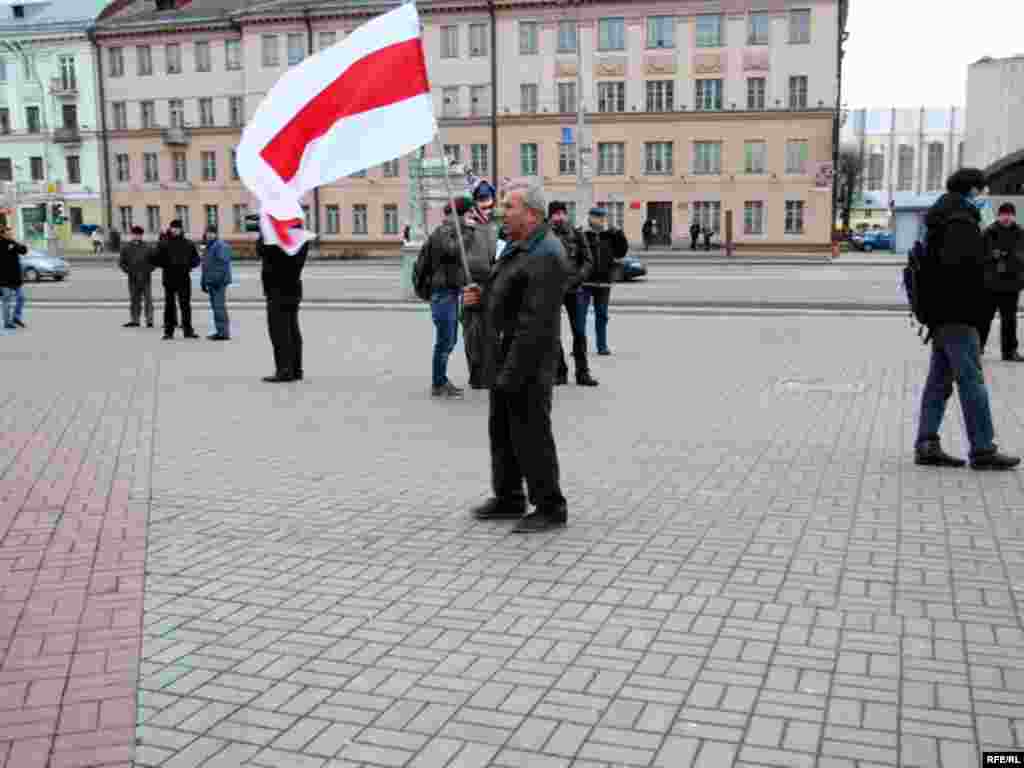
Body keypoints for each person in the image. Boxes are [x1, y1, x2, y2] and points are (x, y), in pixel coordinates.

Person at [467, 183, 569, 534]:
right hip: (506, 355)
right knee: (504, 432)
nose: (501, 212)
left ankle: (550, 506)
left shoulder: (547, 254)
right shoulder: (516, 246)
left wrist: (512, 373)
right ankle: (509, 496)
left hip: (528, 361)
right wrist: (481, 297)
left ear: (532, 214)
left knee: (531, 434)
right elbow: (506, 293)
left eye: (509, 206)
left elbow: (535, 325)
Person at [914, 168, 1019, 471]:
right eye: (982, 190)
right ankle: (983, 449)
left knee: (938, 381)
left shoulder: (940, 215)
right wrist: (980, 306)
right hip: (959, 314)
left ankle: (927, 443)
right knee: (972, 381)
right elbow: (963, 271)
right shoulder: (961, 220)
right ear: (972, 190)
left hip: (940, 313)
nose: (984, 195)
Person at [419, 197, 470, 397]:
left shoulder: (451, 231)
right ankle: (438, 383)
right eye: (467, 215)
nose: (469, 219)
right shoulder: (443, 233)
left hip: (450, 291)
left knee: (450, 340)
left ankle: (441, 380)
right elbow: (452, 250)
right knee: (445, 341)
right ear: (460, 215)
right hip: (442, 293)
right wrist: (468, 233)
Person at [549, 201, 597, 386]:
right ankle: (559, 371)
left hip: (575, 289)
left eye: (562, 213)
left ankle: (582, 372)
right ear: (551, 216)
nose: (559, 217)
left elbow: (588, 260)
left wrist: (578, 277)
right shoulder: (545, 234)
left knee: (579, 332)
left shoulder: (576, 233)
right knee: (554, 334)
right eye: (555, 214)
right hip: (553, 290)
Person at [462, 181, 499, 389]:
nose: (486, 204)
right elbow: (459, 252)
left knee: (490, 331)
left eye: (488, 200)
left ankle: (489, 372)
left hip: (492, 283)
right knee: (471, 331)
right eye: (481, 200)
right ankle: (475, 374)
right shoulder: (467, 224)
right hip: (471, 283)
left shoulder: (495, 224)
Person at [579, 207, 627, 356]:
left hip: (604, 282)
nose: (598, 220)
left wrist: (620, 234)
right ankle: (580, 347)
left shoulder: (610, 235)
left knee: (602, 315)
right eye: (595, 217)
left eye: (601, 218)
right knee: (580, 315)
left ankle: (602, 346)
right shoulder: (582, 234)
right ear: (589, 218)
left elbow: (621, 252)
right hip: (585, 282)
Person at [979, 202, 1024, 361]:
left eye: (1009, 214)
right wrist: (993, 256)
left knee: (1010, 320)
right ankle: (978, 348)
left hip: (1011, 283)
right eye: (1004, 214)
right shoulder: (988, 232)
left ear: (1014, 216)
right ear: (998, 215)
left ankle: (1009, 352)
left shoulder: (1020, 232)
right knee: (984, 318)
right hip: (990, 283)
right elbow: (980, 257)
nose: (1006, 217)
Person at [260, 234, 307, 382]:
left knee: (279, 331)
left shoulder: (275, 239)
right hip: (293, 288)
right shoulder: (300, 238)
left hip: (277, 289)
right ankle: (296, 369)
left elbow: (262, 251)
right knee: (292, 330)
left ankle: (284, 369)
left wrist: (265, 233)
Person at [151, 219, 200, 340]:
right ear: (170, 229)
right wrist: (165, 264)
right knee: (169, 306)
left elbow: (196, 259)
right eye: (173, 228)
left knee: (185, 305)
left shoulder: (188, 244)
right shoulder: (164, 243)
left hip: (184, 279)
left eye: (178, 228)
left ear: (181, 229)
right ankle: (168, 332)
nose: (175, 230)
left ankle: (188, 331)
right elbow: (155, 259)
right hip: (169, 279)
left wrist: (189, 265)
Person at [200, 226, 234, 341]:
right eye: (208, 233)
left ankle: (223, 333)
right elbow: (205, 266)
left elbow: (223, 265)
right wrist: (204, 282)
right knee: (216, 307)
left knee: (219, 307)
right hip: (212, 281)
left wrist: (217, 280)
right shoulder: (209, 247)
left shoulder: (220, 246)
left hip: (218, 282)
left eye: (211, 233)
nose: (209, 235)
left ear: (216, 234)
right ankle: (220, 331)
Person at [118, 225, 155, 328]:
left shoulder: (148, 247)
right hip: (133, 278)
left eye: (139, 235)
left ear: (141, 235)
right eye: (135, 234)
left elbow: (154, 261)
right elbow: (122, 263)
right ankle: (135, 320)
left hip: (146, 278)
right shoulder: (126, 248)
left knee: (148, 299)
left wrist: (148, 270)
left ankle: (149, 320)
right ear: (132, 235)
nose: (137, 236)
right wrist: (129, 271)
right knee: (134, 300)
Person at [0, 225, 27, 330]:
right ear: (2, 234)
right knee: (6, 301)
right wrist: (10, 245)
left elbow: (24, 251)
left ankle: (16, 317)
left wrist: (15, 242)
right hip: (3, 280)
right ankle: (7, 323)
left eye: (11, 233)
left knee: (21, 298)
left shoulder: (12, 243)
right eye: (8, 233)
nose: (11, 235)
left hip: (15, 279)